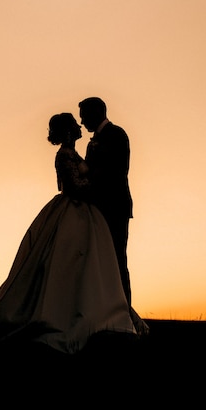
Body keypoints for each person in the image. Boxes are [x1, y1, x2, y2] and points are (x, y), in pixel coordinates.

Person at [0, 112, 140, 354]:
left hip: (85, 214)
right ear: (68, 131)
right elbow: (73, 187)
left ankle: (91, 307)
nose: (80, 124)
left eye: (80, 119)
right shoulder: (64, 156)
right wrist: (96, 187)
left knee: (87, 265)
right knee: (67, 262)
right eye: (75, 122)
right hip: (72, 212)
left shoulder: (75, 152)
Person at [78, 97, 134, 308]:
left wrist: (87, 186)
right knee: (100, 261)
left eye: (84, 116)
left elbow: (113, 173)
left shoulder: (116, 135)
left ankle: (124, 310)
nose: (82, 122)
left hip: (114, 207)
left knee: (117, 259)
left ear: (96, 113)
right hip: (97, 208)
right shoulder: (93, 142)